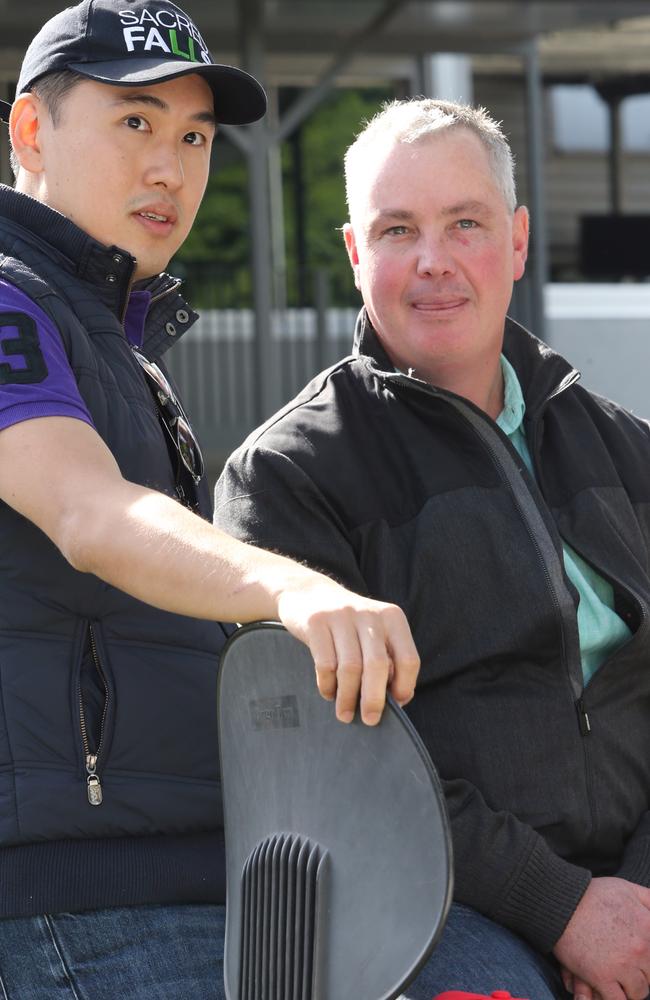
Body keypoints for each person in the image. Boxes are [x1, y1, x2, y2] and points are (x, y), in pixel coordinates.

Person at [0, 4, 421, 997]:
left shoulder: (113, 338)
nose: (172, 168)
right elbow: (88, 513)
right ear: (30, 132)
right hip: (78, 909)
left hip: (172, 882)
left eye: (194, 136)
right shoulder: (10, 298)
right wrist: (294, 592)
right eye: (136, 122)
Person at [215, 97, 650, 1000]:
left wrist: (634, 902)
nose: (433, 261)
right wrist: (567, 908)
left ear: (519, 241)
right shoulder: (287, 476)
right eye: (397, 229)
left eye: (466, 224)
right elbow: (346, 764)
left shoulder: (628, 451)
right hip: (443, 906)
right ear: (353, 253)